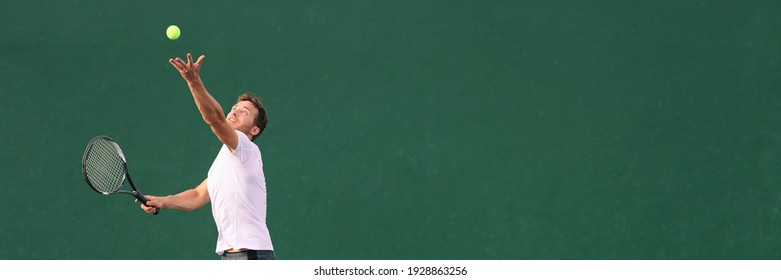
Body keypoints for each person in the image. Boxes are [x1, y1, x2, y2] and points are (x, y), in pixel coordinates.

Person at [138, 53, 275, 260]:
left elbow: (216, 120)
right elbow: (197, 196)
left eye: (244, 111)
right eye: (234, 108)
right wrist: (162, 201)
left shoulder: (246, 148)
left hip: (250, 255)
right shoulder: (224, 161)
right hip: (231, 255)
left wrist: (194, 81)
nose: (235, 112)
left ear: (254, 130)